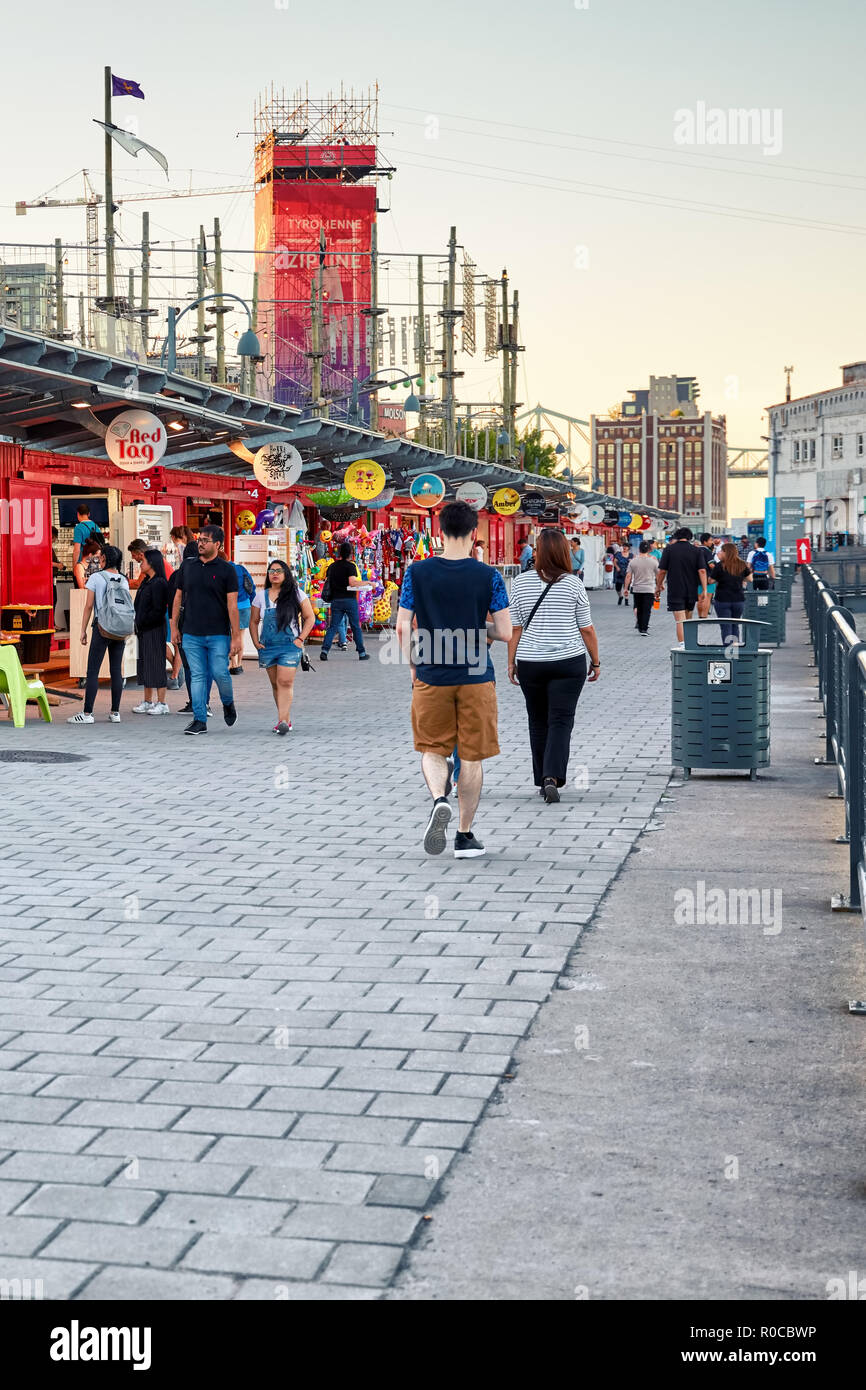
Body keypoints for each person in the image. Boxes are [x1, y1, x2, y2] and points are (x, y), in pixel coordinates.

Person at [396, 500, 512, 859]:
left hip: (432, 671)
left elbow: (402, 625)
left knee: (432, 749)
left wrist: (413, 665)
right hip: (477, 675)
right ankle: (464, 836)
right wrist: (477, 629)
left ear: (439, 533)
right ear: (474, 534)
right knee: (472, 756)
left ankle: (438, 798)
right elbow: (506, 633)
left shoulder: (416, 573)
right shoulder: (489, 577)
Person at [508, 527, 600, 803]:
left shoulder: (521, 583)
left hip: (531, 662)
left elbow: (515, 628)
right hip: (568, 662)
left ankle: (541, 779)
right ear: (563, 552)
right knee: (561, 720)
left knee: (537, 720)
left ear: (538, 552)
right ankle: (553, 776)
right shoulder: (573, 584)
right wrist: (596, 661)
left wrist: (510, 662)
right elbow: (587, 629)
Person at [170, 524, 241, 736]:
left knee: (220, 673)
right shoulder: (188, 566)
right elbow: (178, 597)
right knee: (198, 675)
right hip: (191, 632)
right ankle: (199, 719)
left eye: (205, 540)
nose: (200, 543)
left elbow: (232, 606)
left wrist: (236, 637)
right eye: (200, 540)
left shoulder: (227, 570)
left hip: (218, 633)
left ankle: (228, 702)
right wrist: (174, 626)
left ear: (217, 545)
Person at [66, 545, 132, 725]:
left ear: (104, 559)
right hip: (119, 629)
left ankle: (87, 713)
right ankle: (115, 712)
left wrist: (83, 630)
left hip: (102, 627)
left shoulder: (96, 577)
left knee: (93, 671)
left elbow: (88, 606)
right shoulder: (123, 579)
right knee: (116, 670)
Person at [250, 560, 316, 734]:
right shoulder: (260, 596)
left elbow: (310, 617)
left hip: (290, 646)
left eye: (279, 571)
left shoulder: (297, 594)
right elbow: (254, 621)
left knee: (285, 682)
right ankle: (285, 719)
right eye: (271, 571)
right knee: (275, 684)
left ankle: (281, 722)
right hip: (268, 647)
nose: (275, 574)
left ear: (286, 573)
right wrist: (256, 642)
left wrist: (300, 639)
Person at [319, 542, 373, 661]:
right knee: (355, 626)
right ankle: (362, 653)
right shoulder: (350, 566)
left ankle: (324, 651)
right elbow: (352, 582)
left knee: (333, 626)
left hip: (336, 600)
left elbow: (327, 580)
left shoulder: (332, 566)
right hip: (349, 600)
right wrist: (368, 583)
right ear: (350, 553)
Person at [655, 526, 708, 646]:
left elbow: (662, 571)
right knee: (687, 620)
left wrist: (658, 586)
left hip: (675, 589)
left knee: (680, 620)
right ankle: (689, 644)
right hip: (691, 590)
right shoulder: (697, 550)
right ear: (690, 537)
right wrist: (704, 589)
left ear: (677, 537)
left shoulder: (669, 550)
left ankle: (683, 646)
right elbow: (702, 571)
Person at [133, 549, 171, 716]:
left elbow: (158, 609)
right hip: (143, 629)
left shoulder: (159, 583)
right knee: (145, 664)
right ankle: (148, 701)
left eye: (144, 560)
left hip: (154, 629)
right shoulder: (147, 581)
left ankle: (162, 702)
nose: (141, 563)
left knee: (156, 664)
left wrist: (144, 621)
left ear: (152, 562)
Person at [710, 543, 752, 645]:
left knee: (726, 626)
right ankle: (735, 648)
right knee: (735, 624)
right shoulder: (742, 564)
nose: (719, 553)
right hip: (738, 600)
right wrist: (740, 579)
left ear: (726, 552)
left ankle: (728, 649)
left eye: (721, 551)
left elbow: (710, 581)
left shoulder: (720, 565)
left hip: (722, 600)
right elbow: (750, 578)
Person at [623, 540, 659, 635]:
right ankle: (644, 629)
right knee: (647, 609)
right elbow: (658, 575)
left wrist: (626, 588)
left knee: (639, 608)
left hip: (637, 588)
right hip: (649, 589)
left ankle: (640, 626)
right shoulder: (653, 562)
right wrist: (659, 586)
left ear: (639, 549)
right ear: (649, 549)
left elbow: (628, 576)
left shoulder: (633, 561)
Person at [230, 555, 257, 675]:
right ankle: (240, 664)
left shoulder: (225, 570)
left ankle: (233, 663)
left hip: (231, 607)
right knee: (240, 636)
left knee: (232, 636)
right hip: (245, 605)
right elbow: (251, 586)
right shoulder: (241, 569)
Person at [71, 504, 102, 568]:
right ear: (89, 514)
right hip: (95, 562)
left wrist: (74, 567)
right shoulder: (96, 526)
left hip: (84, 563)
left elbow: (77, 550)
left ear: (78, 514)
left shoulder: (78, 528)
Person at [696, 534, 716, 617]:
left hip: (696, 578)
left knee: (699, 599)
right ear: (705, 541)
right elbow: (711, 565)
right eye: (711, 540)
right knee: (707, 598)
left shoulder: (696, 550)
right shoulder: (707, 551)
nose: (712, 542)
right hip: (708, 578)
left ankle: (700, 615)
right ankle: (704, 616)